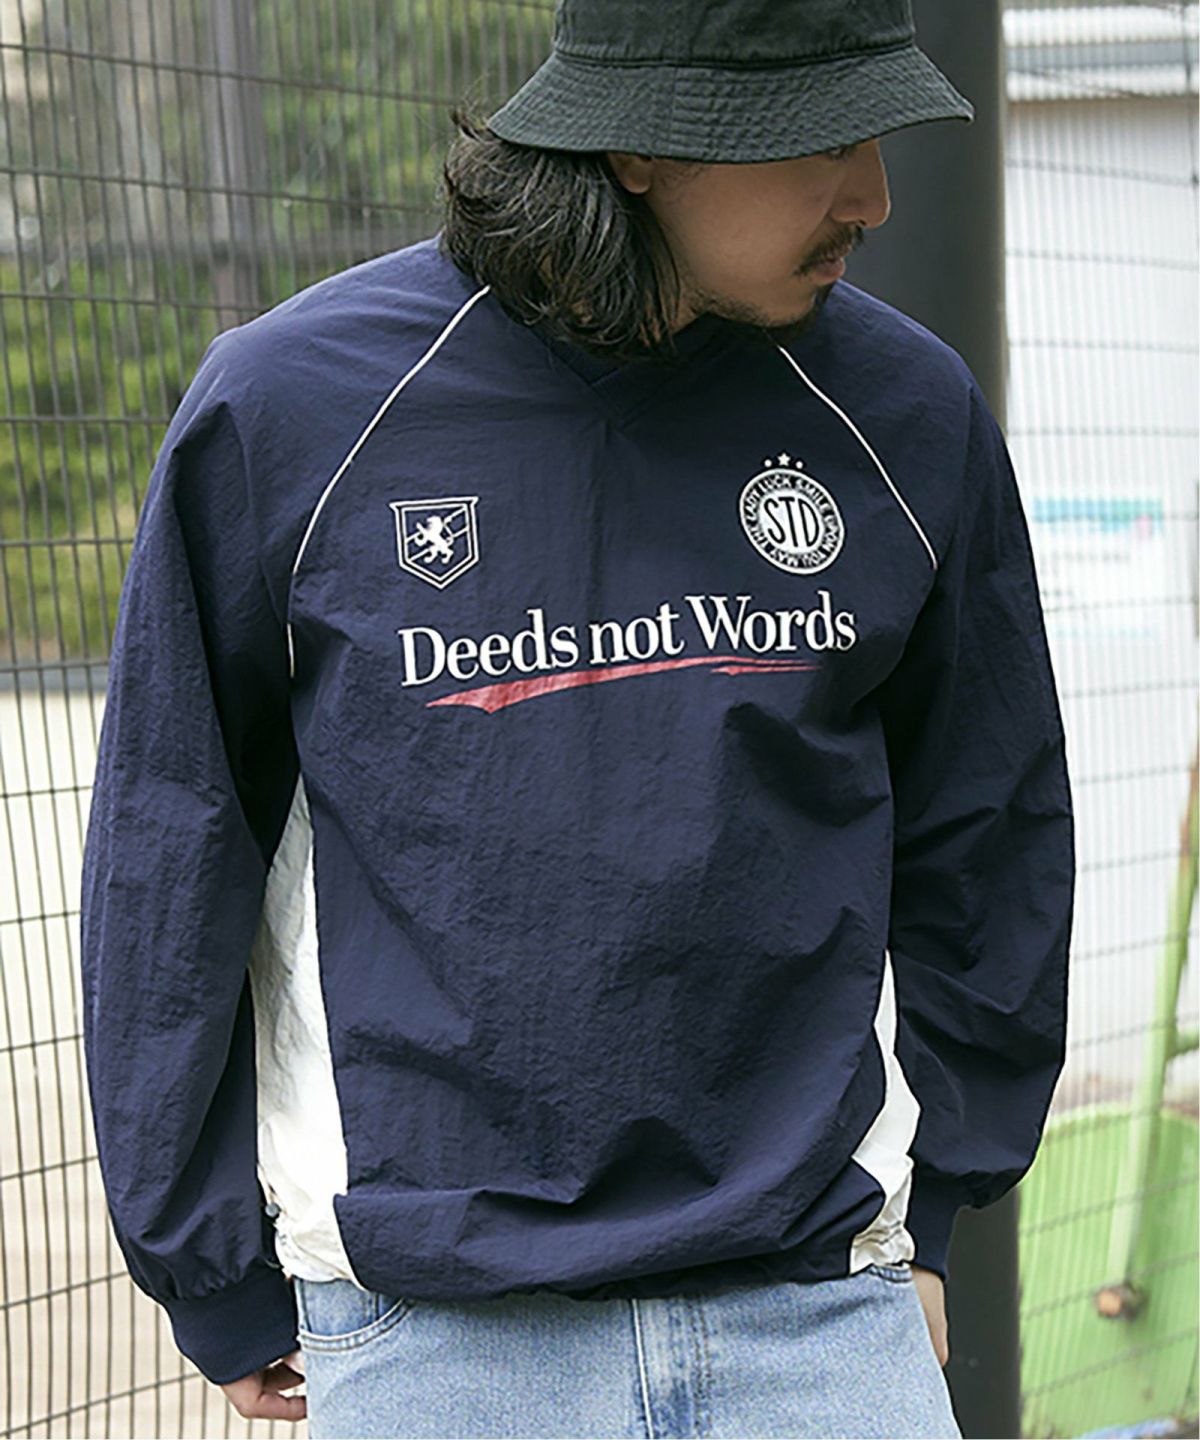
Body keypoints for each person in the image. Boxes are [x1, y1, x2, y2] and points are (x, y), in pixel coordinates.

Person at [78, 0, 1076, 1436]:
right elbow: (169, 847)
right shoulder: (297, 409)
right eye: (818, 142)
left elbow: (990, 827)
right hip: (437, 1328)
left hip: (819, 1307)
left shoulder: (903, 408)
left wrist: (938, 1217)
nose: (872, 196)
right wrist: (209, 1266)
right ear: (638, 149)